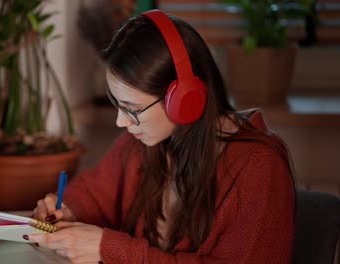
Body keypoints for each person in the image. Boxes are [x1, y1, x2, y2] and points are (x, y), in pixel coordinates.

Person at [26, 9, 296, 264]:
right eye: (116, 103)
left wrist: (108, 248)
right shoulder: (141, 143)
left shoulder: (259, 167)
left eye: (132, 109)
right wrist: (64, 208)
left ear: (183, 100)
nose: (121, 121)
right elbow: (93, 193)